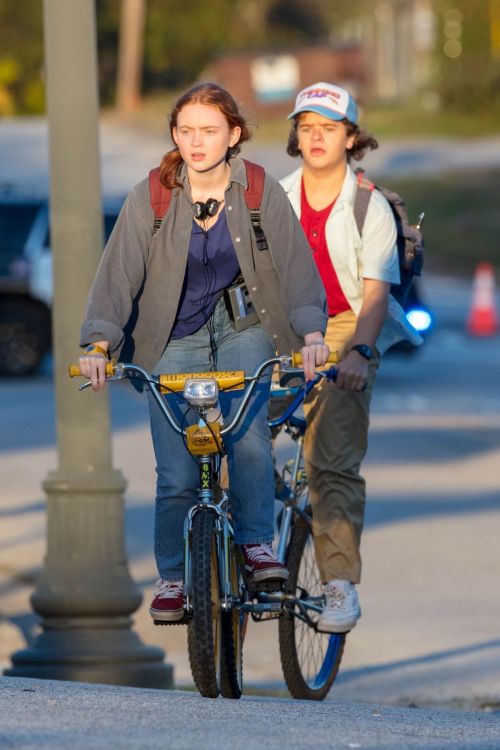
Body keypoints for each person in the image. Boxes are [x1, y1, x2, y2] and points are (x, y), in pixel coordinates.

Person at [78, 82, 330, 623]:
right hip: (171, 333)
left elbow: (296, 270)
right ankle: (172, 577)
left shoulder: (258, 189)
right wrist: (100, 343)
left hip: (243, 325)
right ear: (174, 134)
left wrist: (311, 335)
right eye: (186, 130)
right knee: (176, 473)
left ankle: (258, 545)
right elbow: (118, 274)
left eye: (209, 130)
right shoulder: (154, 194)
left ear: (233, 135)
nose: (197, 141)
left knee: (248, 441)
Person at [281, 82, 421, 633]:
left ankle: (338, 582)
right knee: (219, 433)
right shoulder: (275, 199)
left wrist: (359, 352)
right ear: (296, 135)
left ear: (351, 137)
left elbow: (375, 297)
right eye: (307, 127)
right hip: (284, 326)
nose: (316, 138)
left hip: (347, 325)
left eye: (329, 128)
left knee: (331, 459)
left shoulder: (369, 206)